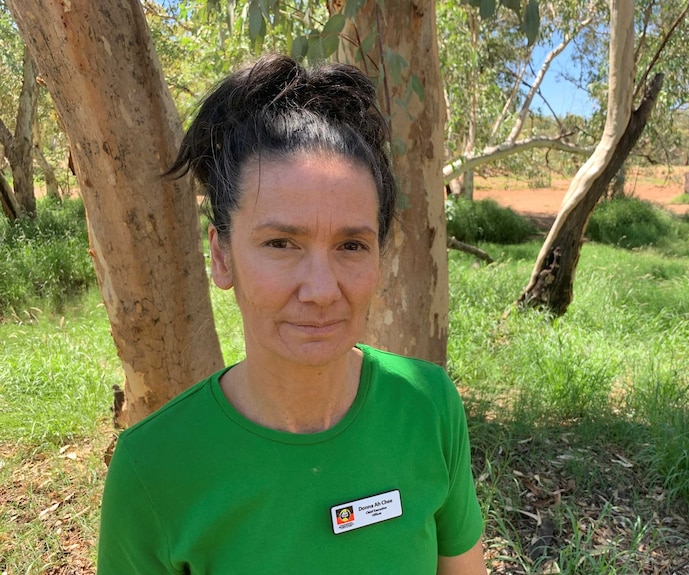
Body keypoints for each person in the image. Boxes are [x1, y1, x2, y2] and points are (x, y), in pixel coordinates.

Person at [97, 54, 485, 574]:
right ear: (221, 255)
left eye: (351, 245)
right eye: (281, 243)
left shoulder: (428, 406)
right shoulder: (154, 468)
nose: (322, 290)